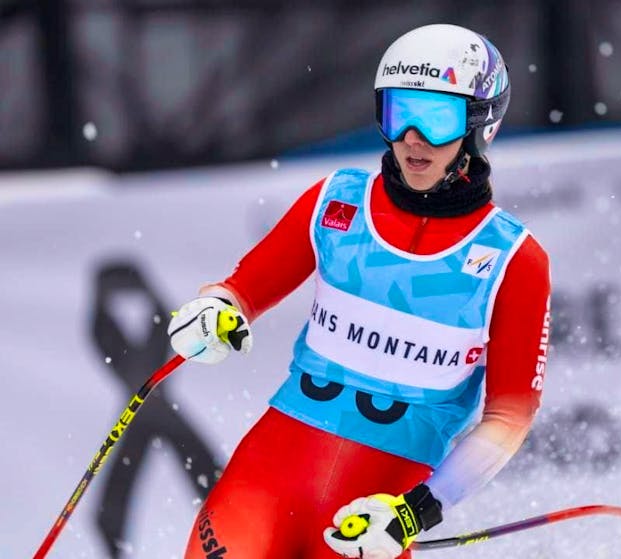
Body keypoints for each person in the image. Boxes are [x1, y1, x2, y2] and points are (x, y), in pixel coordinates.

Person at [167, 23, 551, 559]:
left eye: (436, 118)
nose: (413, 138)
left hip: (367, 518)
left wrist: (415, 510)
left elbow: (509, 418)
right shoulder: (336, 201)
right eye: (400, 114)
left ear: (478, 127)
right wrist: (214, 311)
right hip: (265, 482)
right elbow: (240, 290)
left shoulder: (514, 259)